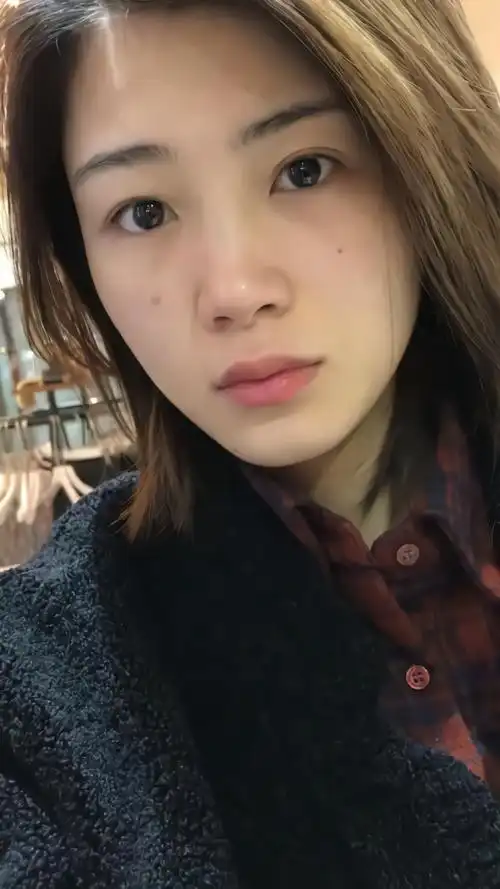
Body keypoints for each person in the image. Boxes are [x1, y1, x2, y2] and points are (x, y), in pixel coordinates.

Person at [1, 0, 500, 885]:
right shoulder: (43, 689)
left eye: (304, 169)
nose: (232, 289)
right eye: (144, 212)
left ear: (428, 156)